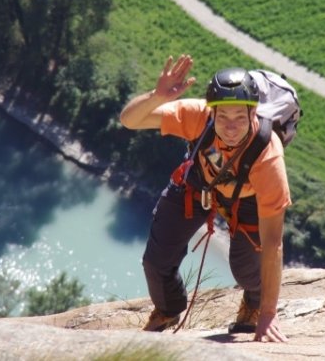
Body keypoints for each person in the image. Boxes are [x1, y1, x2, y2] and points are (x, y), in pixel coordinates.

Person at [119, 54, 290, 342]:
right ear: (212, 113)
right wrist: (156, 96)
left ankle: (253, 300)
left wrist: (268, 313)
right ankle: (168, 309)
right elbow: (129, 121)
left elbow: (273, 240)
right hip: (199, 184)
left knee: (247, 272)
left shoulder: (267, 155)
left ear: (253, 114)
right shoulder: (198, 116)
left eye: (239, 117)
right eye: (222, 116)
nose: (231, 126)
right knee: (156, 261)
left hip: (247, 199)